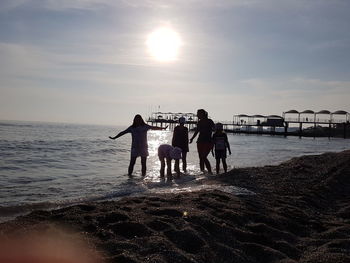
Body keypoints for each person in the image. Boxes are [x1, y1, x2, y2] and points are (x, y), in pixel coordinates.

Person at [189, 109, 215, 173]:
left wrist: (215, 140)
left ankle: (210, 172)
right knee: (201, 157)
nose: (197, 115)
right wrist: (192, 138)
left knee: (204, 156)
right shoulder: (199, 122)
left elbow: (215, 130)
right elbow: (197, 131)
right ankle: (202, 171)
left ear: (203, 114)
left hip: (208, 141)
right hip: (200, 141)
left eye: (198, 114)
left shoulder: (210, 121)